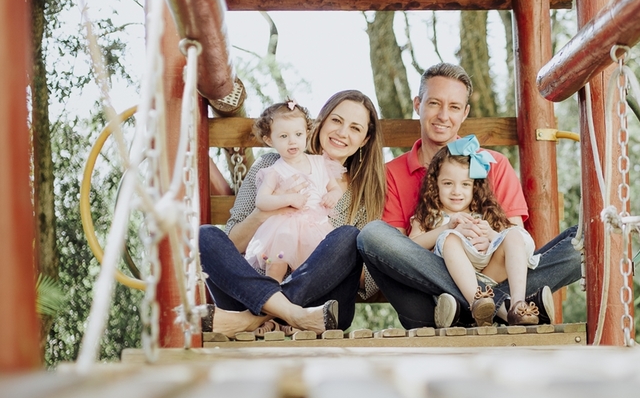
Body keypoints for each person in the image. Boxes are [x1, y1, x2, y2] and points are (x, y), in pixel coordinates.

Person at [357, 63, 582, 329]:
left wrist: (489, 234)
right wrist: (446, 231)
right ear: (417, 104)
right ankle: (501, 306)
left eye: (454, 107)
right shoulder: (391, 174)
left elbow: (516, 236)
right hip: (428, 305)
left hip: (495, 271)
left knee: (587, 238)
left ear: (465, 113)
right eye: (434, 104)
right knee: (372, 236)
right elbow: (398, 253)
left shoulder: (493, 163)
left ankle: (484, 306)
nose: (443, 115)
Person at [199, 90, 385, 335]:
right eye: (337, 121)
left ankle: (252, 320)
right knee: (205, 237)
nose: (342, 133)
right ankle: (289, 314)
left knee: (348, 237)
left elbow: (367, 283)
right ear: (320, 123)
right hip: (248, 296)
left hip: (320, 307)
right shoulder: (270, 166)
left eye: (355, 128)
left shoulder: (363, 196)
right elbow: (231, 245)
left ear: (364, 140)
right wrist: (267, 211)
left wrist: (331, 257)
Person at [410, 138, 543, 327]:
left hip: (490, 274)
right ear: (435, 184)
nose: (457, 191)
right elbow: (408, 249)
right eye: (448, 183)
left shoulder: (484, 215)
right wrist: (447, 229)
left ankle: (517, 304)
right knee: (450, 239)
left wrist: (491, 237)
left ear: (475, 187)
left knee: (513, 234)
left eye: (465, 184)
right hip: (452, 282)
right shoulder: (428, 216)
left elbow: (507, 246)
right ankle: (479, 305)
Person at [243, 100, 345, 282]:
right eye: (283, 136)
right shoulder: (274, 171)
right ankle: (272, 292)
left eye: (298, 134)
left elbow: (335, 188)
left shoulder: (319, 163)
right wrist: (288, 198)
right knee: (277, 262)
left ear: (306, 133)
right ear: (269, 140)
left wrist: (332, 195)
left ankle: (302, 295)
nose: (292, 141)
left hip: (316, 225)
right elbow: (262, 201)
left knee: (315, 264)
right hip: (284, 226)